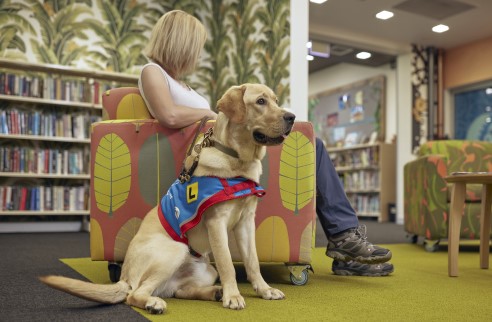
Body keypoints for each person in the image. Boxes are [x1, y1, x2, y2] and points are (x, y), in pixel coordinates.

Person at [138, 10, 393, 277]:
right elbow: (168, 115)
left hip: (227, 154)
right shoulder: (152, 71)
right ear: (181, 43)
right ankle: (343, 238)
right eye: (196, 47)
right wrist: (211, 115)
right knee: (312, 147)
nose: (198, 55)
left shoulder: (180, 83)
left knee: (311, 145)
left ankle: (343, 240)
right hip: (215, 161)